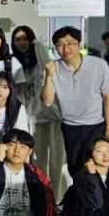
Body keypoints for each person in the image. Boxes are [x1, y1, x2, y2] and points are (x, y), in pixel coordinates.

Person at [42, 26, 109, 176]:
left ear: (79, 44)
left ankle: (100, 192)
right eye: (60, 44)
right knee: (75, 167)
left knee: (99, 166)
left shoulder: (99, 65)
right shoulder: (52, 68)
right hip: (70, 126)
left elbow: (108, 99)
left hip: (96, 124)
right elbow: (47, 101)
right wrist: (48, 77)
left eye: (70, 43)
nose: (66, 49)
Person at [12, 25, 67, 203]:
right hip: (30, 119)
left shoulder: (41, 60)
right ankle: (42, 198)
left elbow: (44, 56)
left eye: (25, 39)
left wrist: (36, 43)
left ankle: (58, 198)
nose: (22, 43)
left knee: (57, 160)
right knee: (36, 161)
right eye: (18, 39)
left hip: (52, 116)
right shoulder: (16, 64)